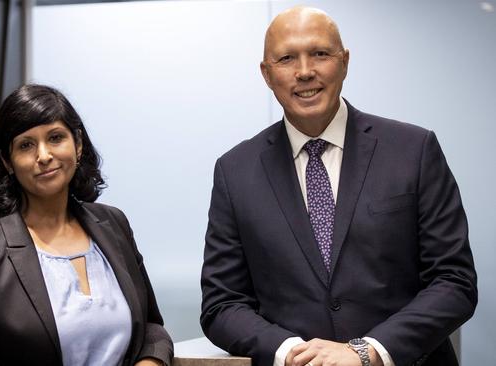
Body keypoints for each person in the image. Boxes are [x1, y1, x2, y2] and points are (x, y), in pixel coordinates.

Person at [200, 6, 477, 366]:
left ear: (344, 62)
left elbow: (454, 282)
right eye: (286, 59)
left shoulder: (414, 150)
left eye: (319, 53)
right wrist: (292, 353)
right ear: (267, 75)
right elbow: (222, 304)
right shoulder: (235, 171)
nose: (304, 72)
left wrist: (367, 351)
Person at [0, 84, 173, 366]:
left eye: (56, 138)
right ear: (7, 161)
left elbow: (151, 328)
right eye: (26, 145)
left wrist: (151, 362)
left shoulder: (114, 224)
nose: (44, 155)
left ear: (78, 144)